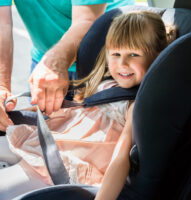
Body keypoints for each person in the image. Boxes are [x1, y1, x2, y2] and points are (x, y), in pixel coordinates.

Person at [0, 11, 177, 200]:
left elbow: (120, 159)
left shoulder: (136, 105)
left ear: (158, 56)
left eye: (134, 54)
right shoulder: (107, 84)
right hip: (52, 142)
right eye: (116, 53)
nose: (122, 63)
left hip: (66, 163)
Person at [0, 0, 134, 132]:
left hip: (105, 62)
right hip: (44, 61)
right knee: (43, 132)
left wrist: (55, 63)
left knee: (104, 134)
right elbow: (2, 24)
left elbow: (88, 20)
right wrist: (2, 87)